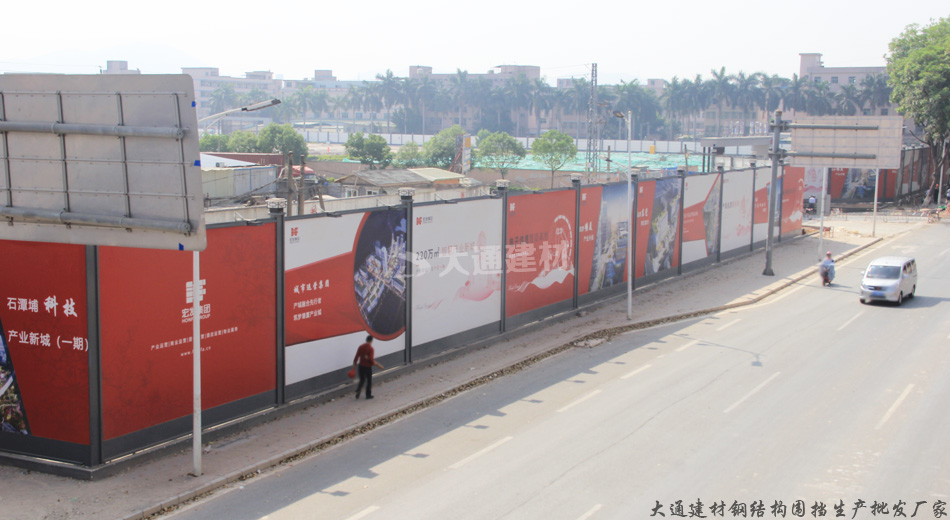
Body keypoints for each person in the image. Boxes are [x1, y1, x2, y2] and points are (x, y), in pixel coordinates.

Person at [353, 335, 384, 399]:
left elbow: (356, 356)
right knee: (369, 381)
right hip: (367, 367)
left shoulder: (360, 347)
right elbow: (371, 359)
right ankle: (368, 395)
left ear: (366, 340)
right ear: (371, 341)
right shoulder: (371, 349)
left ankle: (359, 389)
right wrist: (375, 363)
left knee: (362, 379)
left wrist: (354, 364)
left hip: (361, 366)